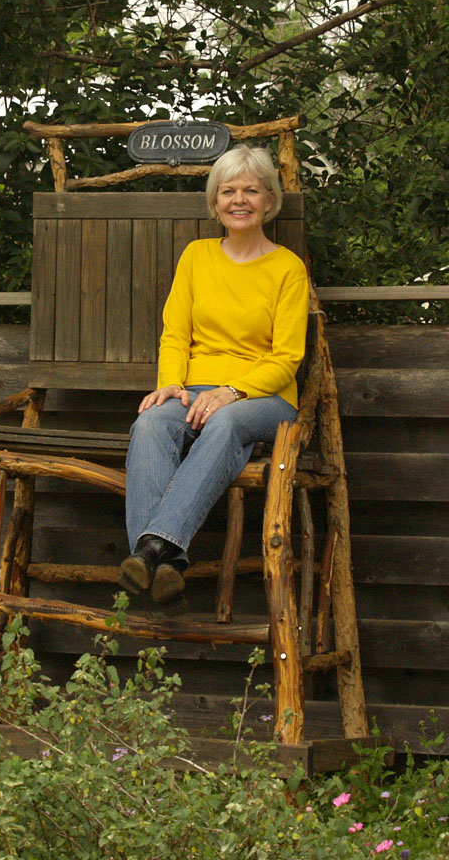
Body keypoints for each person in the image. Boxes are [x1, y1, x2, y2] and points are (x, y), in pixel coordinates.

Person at [118, 145, 310, 612]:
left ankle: (150, 550)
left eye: (250, 190)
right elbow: (175, 332)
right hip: (196, 389)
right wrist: (170, 383)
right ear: (214, 201)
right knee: (150, 422)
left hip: (264, 397)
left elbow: (288, 358)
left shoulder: (287, 269)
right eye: (228, 191)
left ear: (269, 200)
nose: (238, 200)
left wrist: (233, 391)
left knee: (226, 424)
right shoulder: (197, 256)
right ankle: (162, 566)